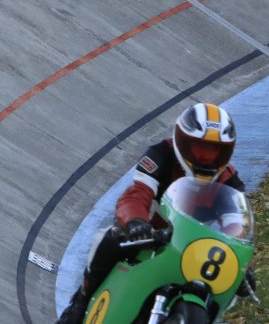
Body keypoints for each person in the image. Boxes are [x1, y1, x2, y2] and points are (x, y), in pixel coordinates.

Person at [56, 104, 245, 324]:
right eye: (199, 149)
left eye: (215, 152)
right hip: (150, 236)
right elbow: (137, 194)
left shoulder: (230, 182)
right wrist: (136, 221)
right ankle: (80, 303)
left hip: (196, 253)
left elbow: (237, 229)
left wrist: (242, 267)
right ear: (182, 141)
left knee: (225, 289)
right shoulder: (161, 155)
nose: (206, 159)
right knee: (108, 238)